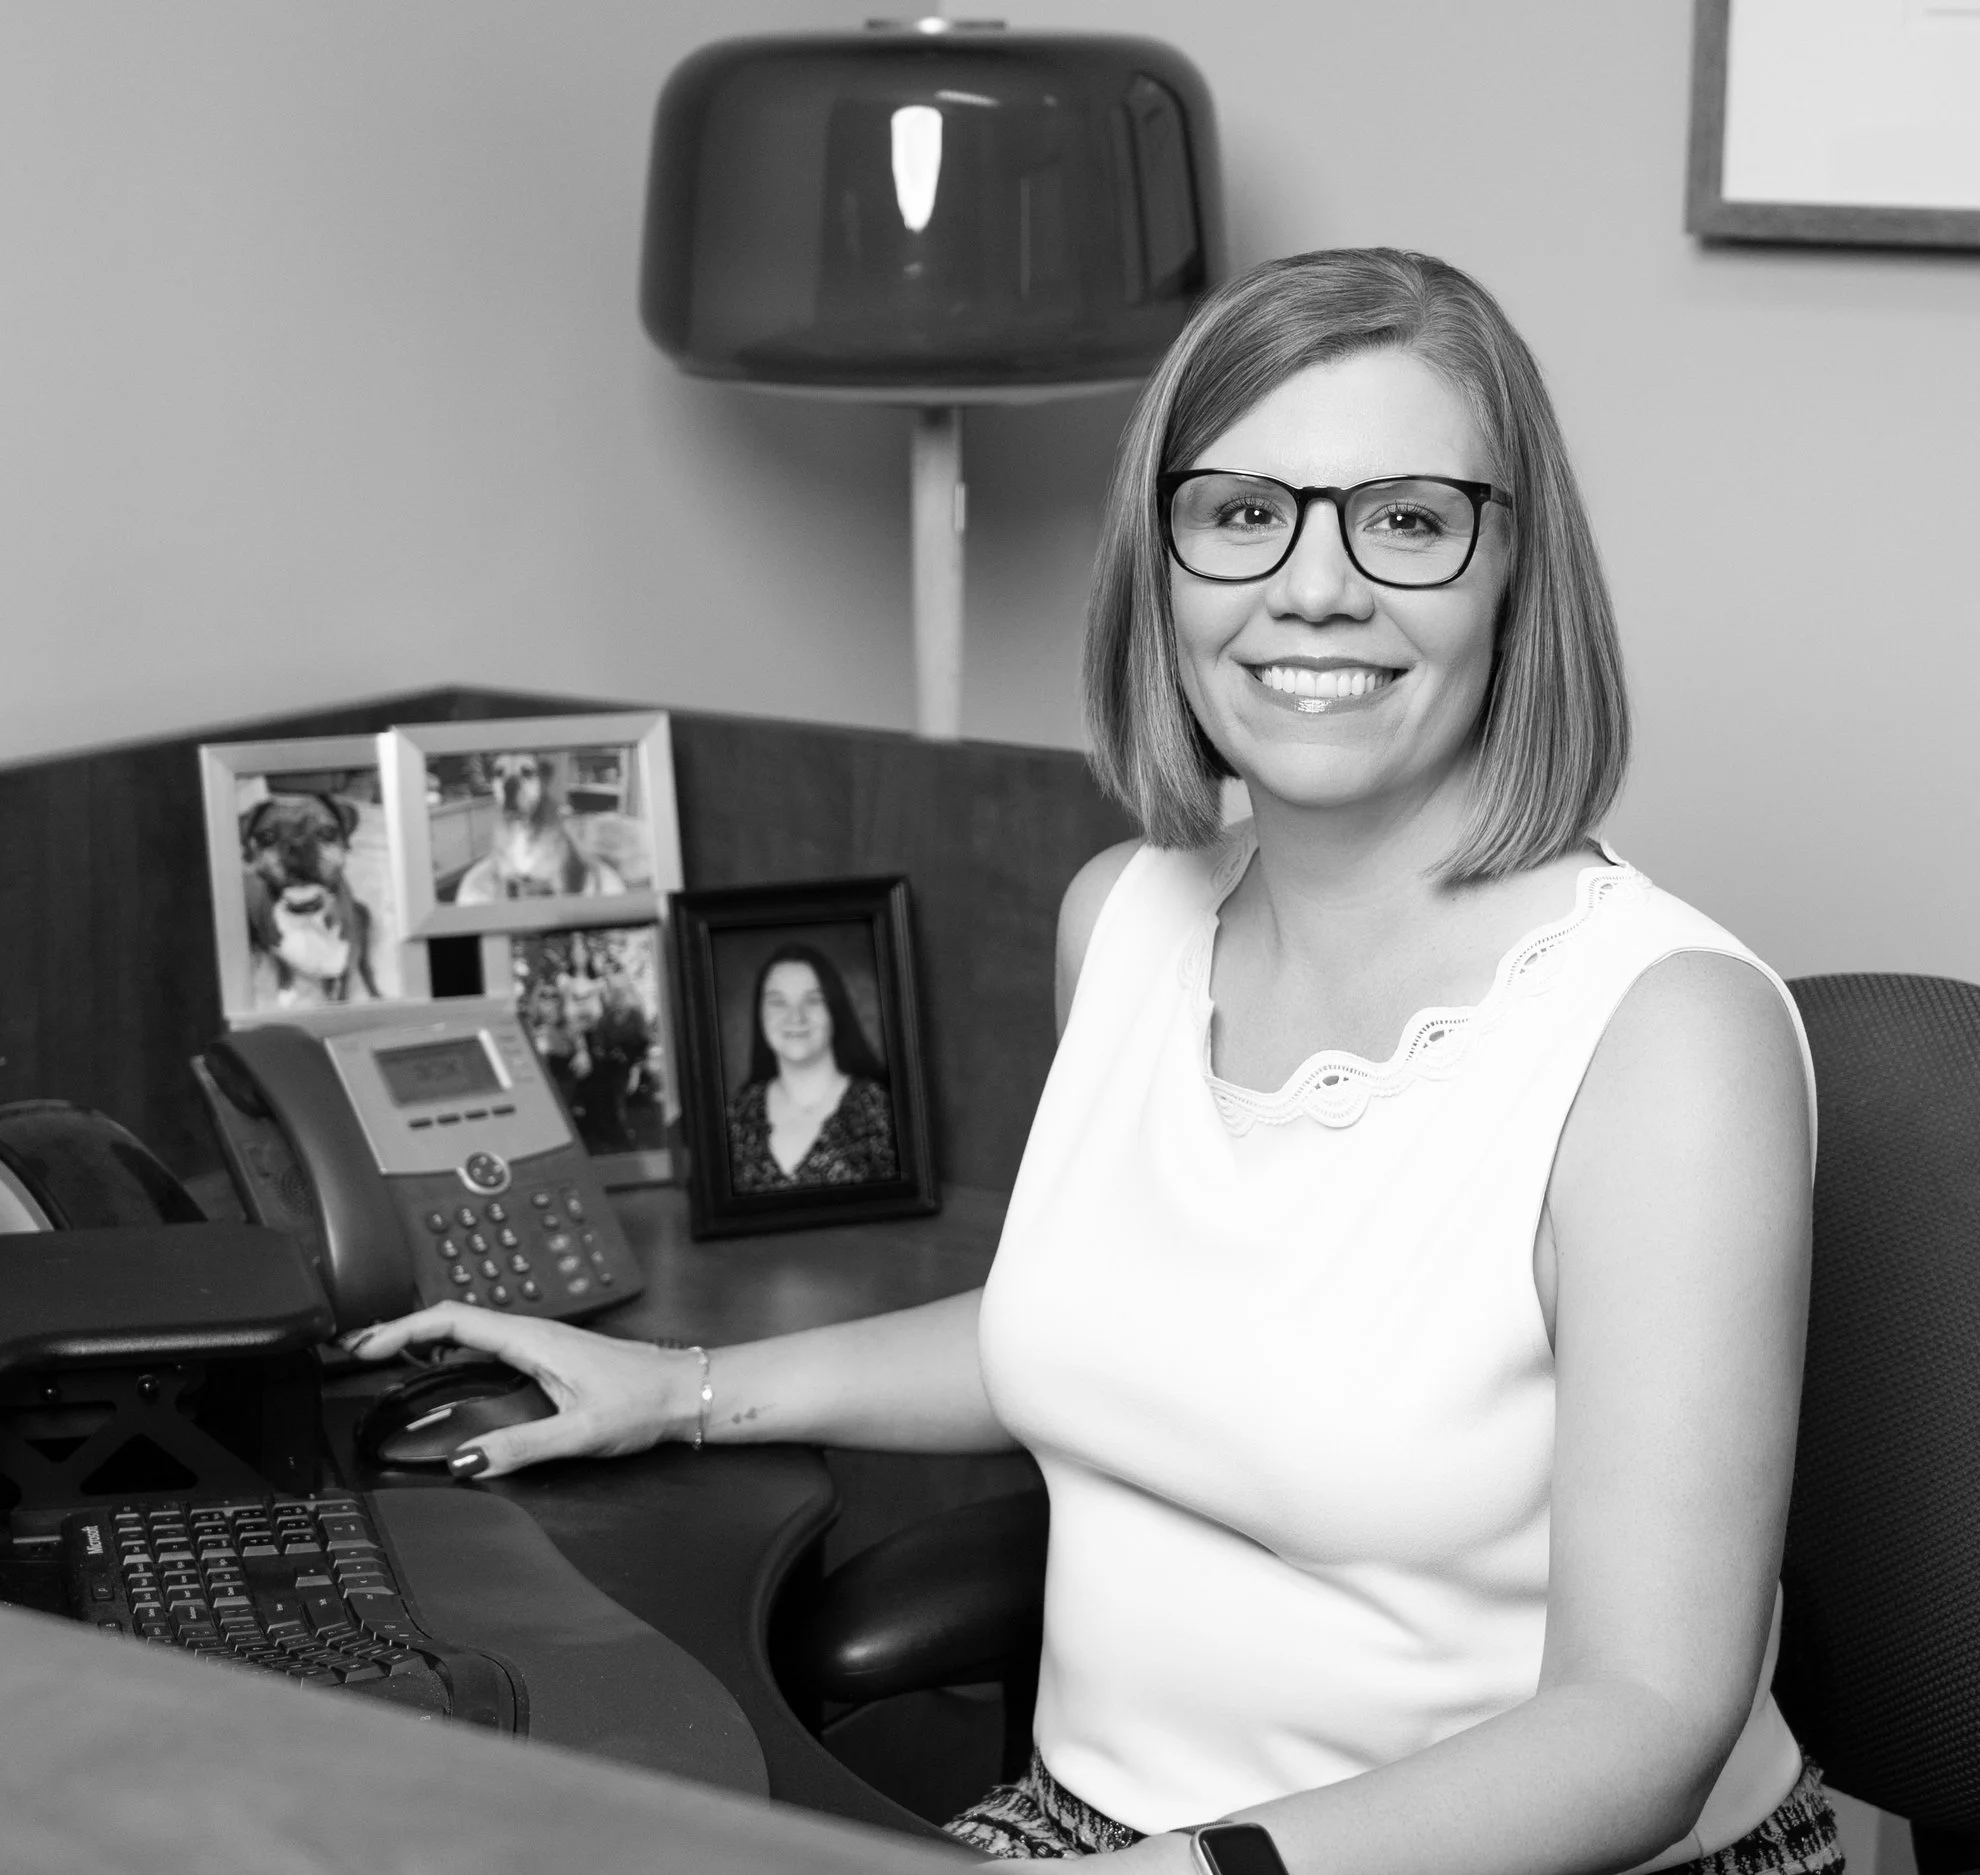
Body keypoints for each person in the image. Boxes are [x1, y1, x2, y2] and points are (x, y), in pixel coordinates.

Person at [346, 249, 1830, 1875]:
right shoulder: (1122, 917)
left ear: (1512, 571)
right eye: (1242, 511)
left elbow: (1644, 1724)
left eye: (1405, 518)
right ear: (1165, 563)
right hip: (1104, 1827)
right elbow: (1108, 1328)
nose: (1315, 588)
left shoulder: (1667, 1038)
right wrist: (686, 1393)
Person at [724, 943, 898, 1191]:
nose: (796, 1016)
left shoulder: (881, 1108)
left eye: (813, 1000)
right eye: (778, 1002)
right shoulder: (738, 1115)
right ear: (760, 1014)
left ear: (834, 1011)